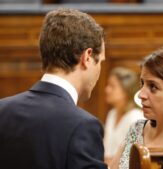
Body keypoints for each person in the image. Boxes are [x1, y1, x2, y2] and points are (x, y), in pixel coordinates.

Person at [0, 8, 107, 169]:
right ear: (87, 57)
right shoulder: (83, 126)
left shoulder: (2, 110)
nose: (99, 70)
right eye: (100, 62)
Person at [104, 67, 143, 162]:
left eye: (112, 86)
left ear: (126, 90)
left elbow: (133, 156)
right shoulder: (112, 113)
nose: (106, 90)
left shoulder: (135, 117)